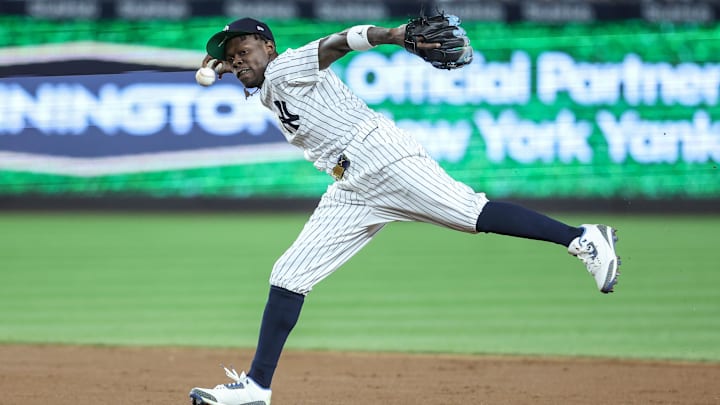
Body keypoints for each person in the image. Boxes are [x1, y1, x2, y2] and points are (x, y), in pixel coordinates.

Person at [189, 17, 621, 405]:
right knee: (289, 274)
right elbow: (255, 72)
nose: (237, 60)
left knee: (471, 213)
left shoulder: (285, 66)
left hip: (380, 158)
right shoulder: (267, 83)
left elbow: (338, 42)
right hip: (351, 187)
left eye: (244, 51)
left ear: (270, 47)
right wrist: (225, 64)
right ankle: (256, 388)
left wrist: (393, 36)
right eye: (232, 56)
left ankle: (582, 237)